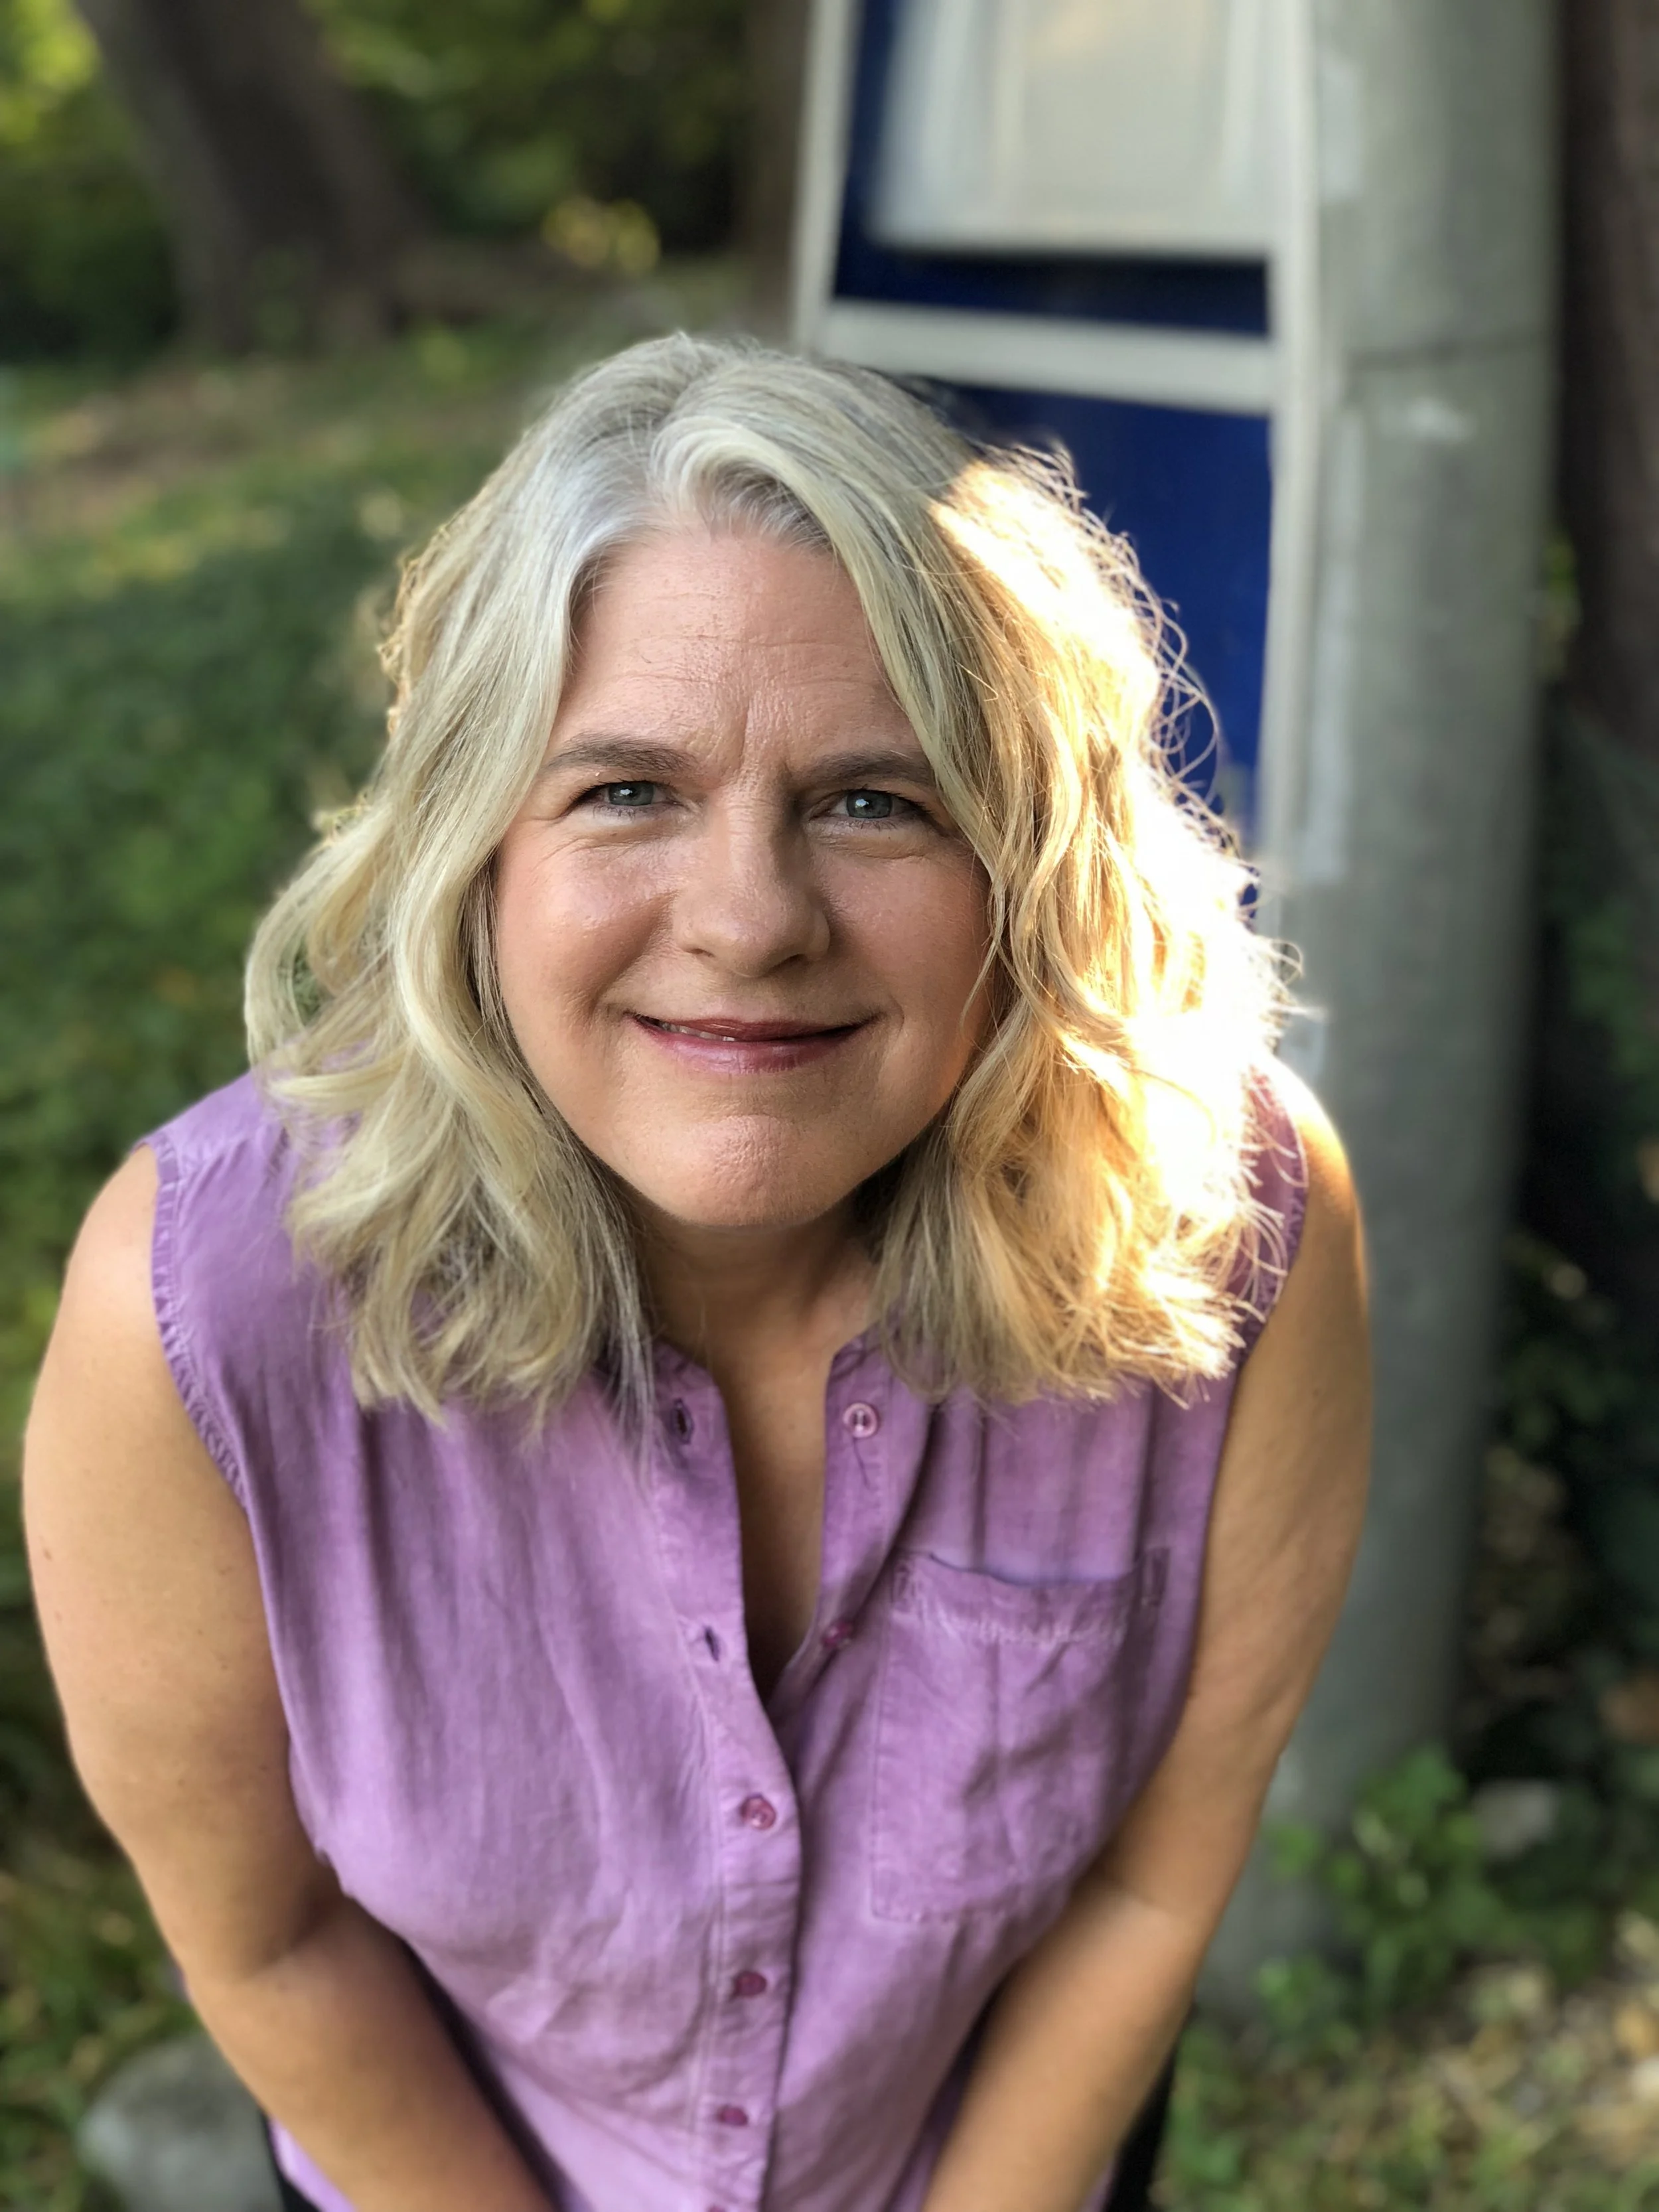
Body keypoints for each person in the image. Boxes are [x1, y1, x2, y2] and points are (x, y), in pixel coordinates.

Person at [23, 334, 1369, 2212]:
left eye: (873, 800)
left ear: (1025, 862)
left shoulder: (1232, 1227)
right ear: (474, 853)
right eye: (628, 792)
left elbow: (1153, 1870)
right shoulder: (203, 1310)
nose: (748, 918)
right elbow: (265, 1945)